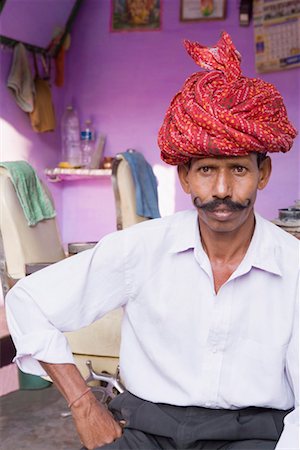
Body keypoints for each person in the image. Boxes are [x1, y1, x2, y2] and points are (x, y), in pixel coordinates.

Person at [5, 32, 299, 450]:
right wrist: (85, 404)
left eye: (237, 170)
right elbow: (28, 301)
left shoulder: (294, 267)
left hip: (252, 435)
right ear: (183, 176)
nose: (220, 189)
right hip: (147, 430)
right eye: (205, 170)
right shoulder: (141, 248)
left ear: (263, 174)